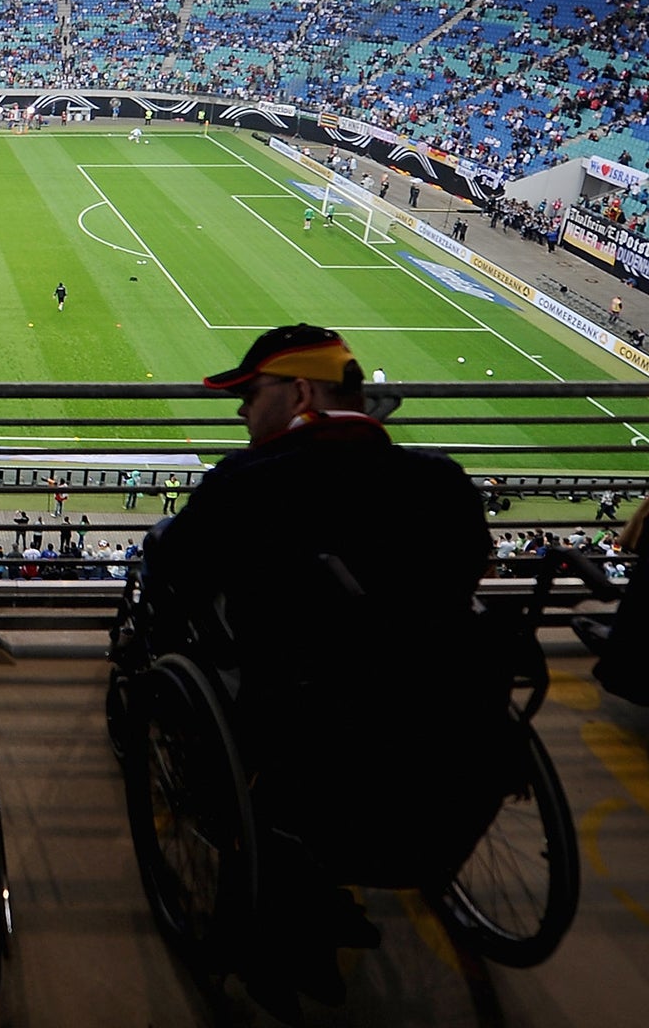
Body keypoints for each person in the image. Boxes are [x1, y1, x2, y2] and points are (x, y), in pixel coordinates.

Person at [144, 323, 501, 1001]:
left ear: (301, 390)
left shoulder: (247, 484)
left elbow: (175, 573)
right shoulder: (442, 482)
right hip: (442, 738)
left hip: (306, 738)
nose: (242, 409)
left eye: (252, 393)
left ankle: (280, 931)